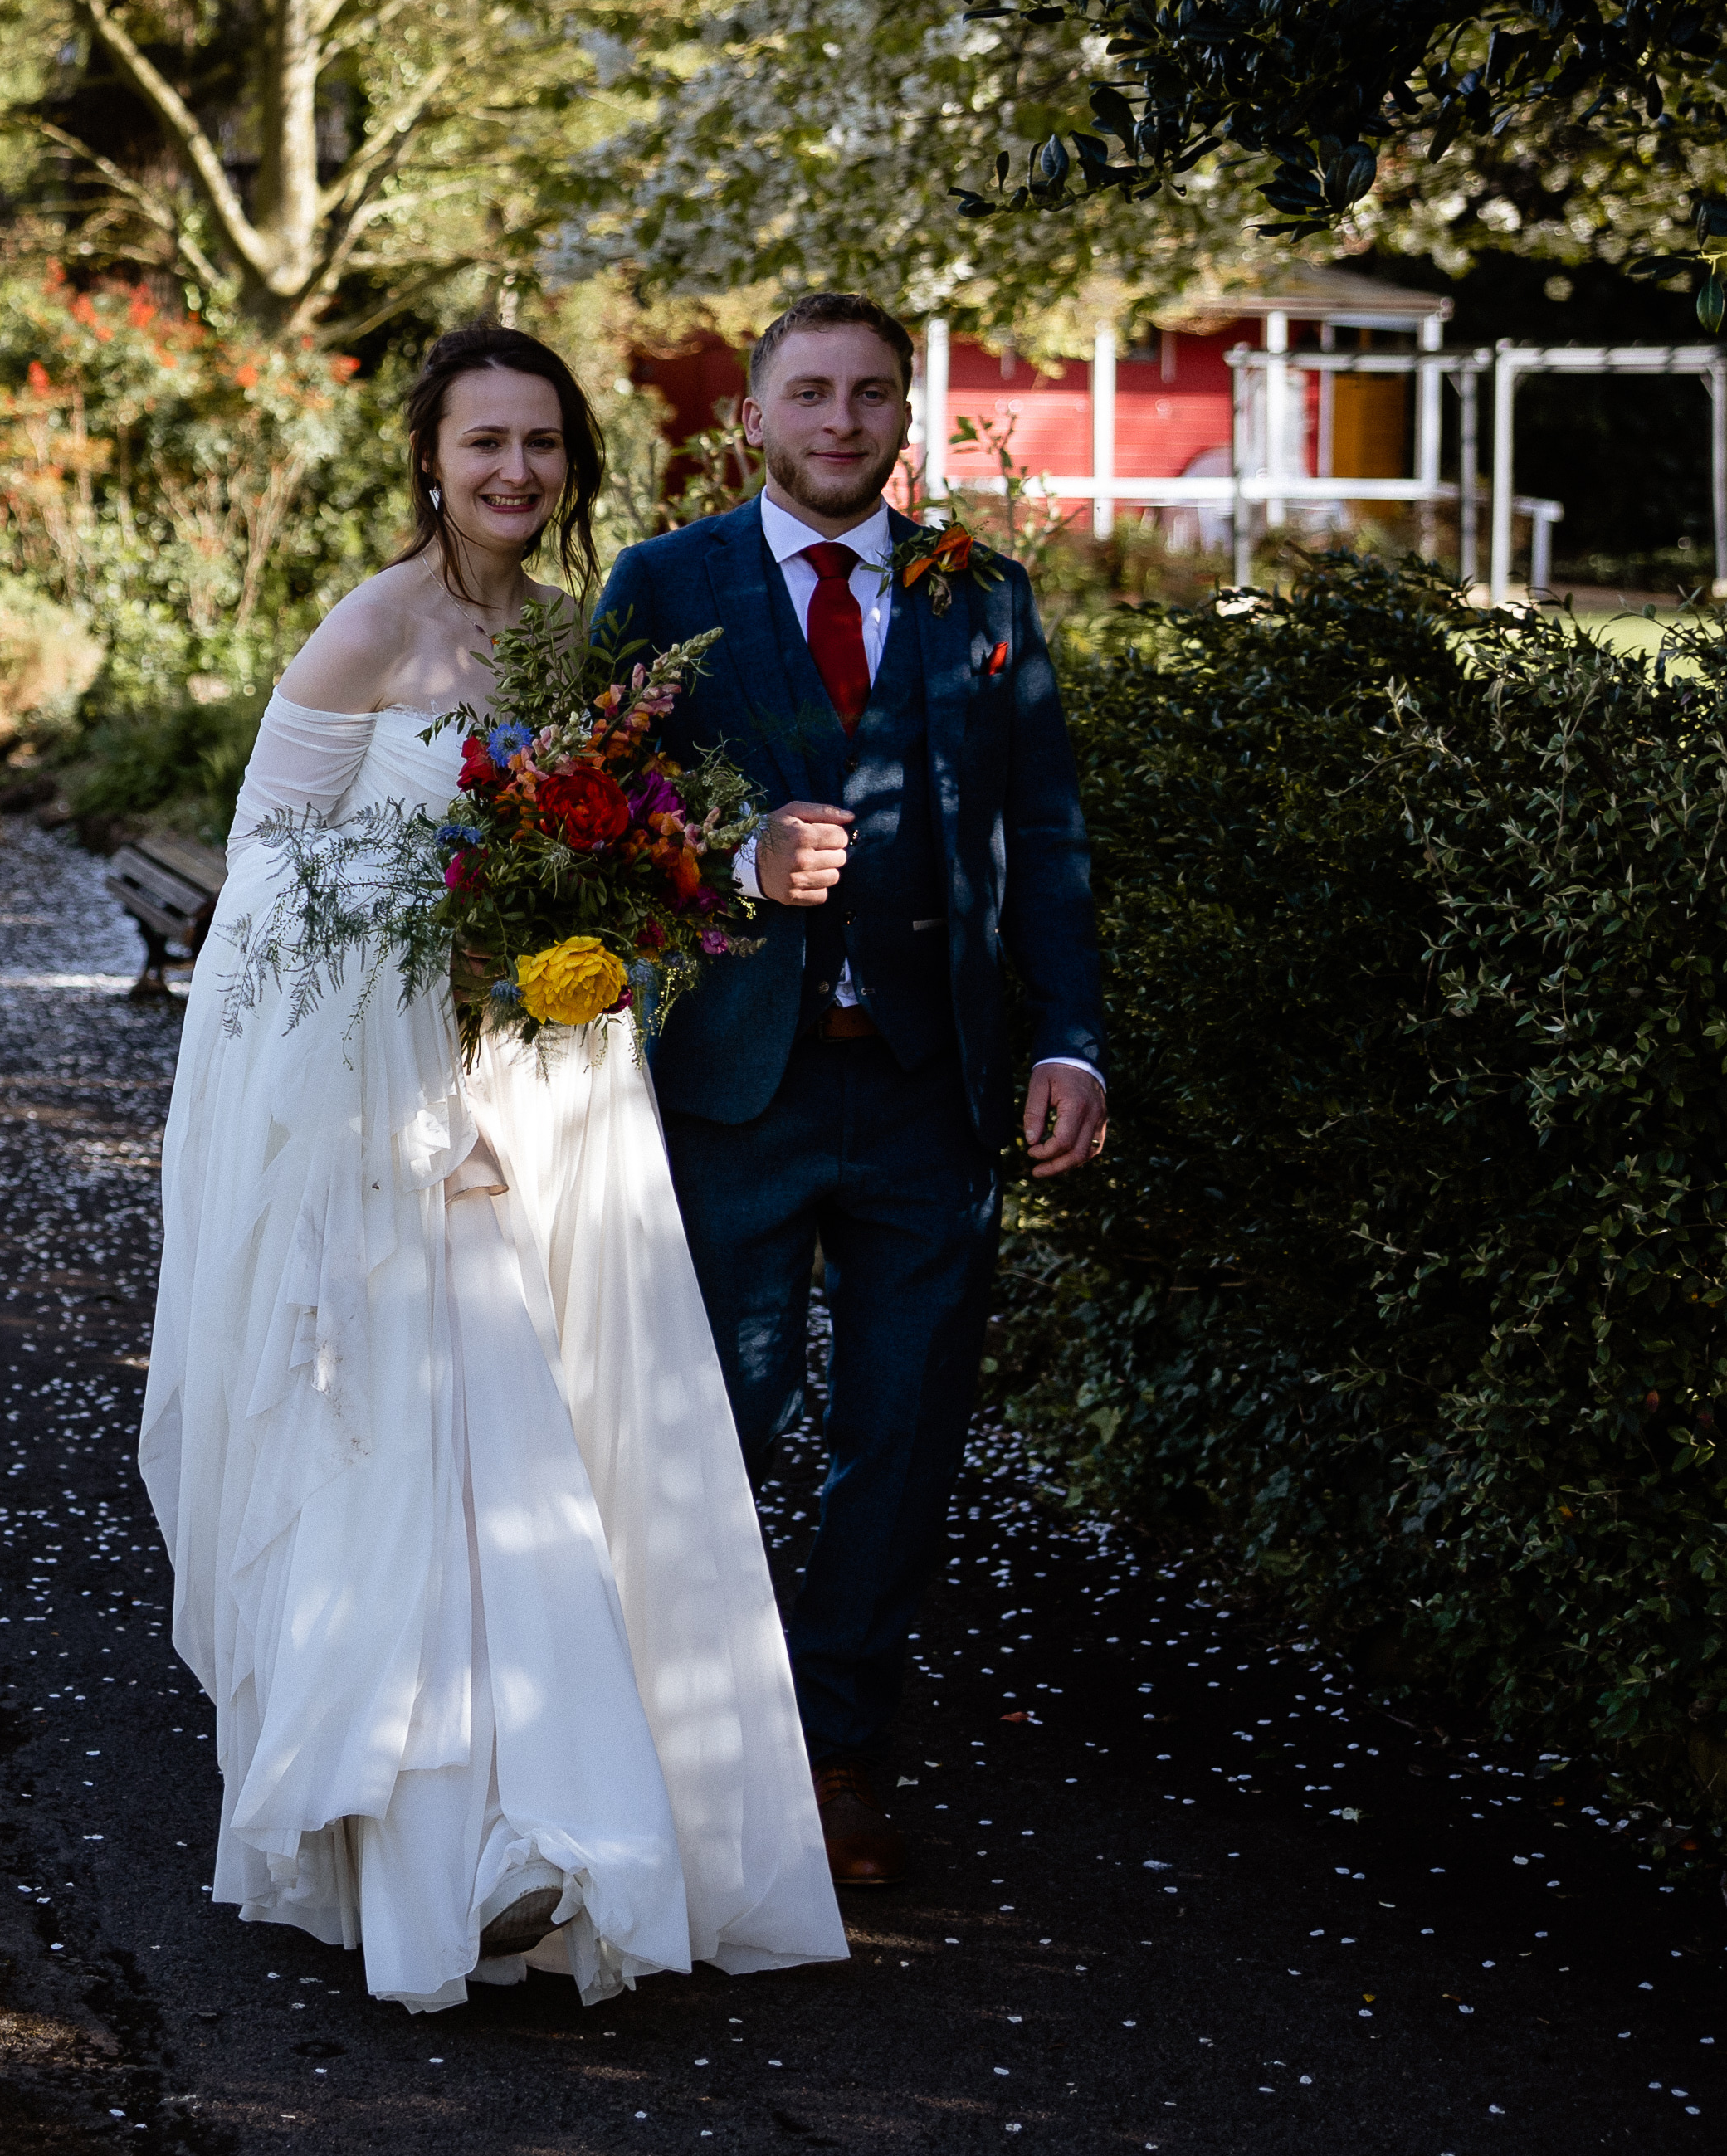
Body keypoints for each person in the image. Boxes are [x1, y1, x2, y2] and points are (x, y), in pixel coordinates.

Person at [140, 326, 846, 2012]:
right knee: (445, 1437)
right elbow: (265, 865)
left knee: (572, 1435)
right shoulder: (374, 624)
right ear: (430, 459)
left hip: (550, 1069)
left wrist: (635, 908)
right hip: (392, 1097)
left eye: (543, 445)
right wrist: (417, 1000)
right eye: (485, 445)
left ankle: (563, 1816)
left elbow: (632, 861)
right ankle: (454, 1848)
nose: (515, 473)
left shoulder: (565, 642)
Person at [589, 291, 1107, 1887]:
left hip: (931, 1096)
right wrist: (731, 865)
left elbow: (1049, 843)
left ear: (906, 417)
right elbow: (593, 827)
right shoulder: (661, 588)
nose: (840, 421)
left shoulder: (984, 599)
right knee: (719, 1419)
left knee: (902, 1431)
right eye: (809, 394)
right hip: (733, 1085)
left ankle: (835, 1750)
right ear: (752, 417)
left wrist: (1070, 1038)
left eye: (871, 396)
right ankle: (683, 1742)